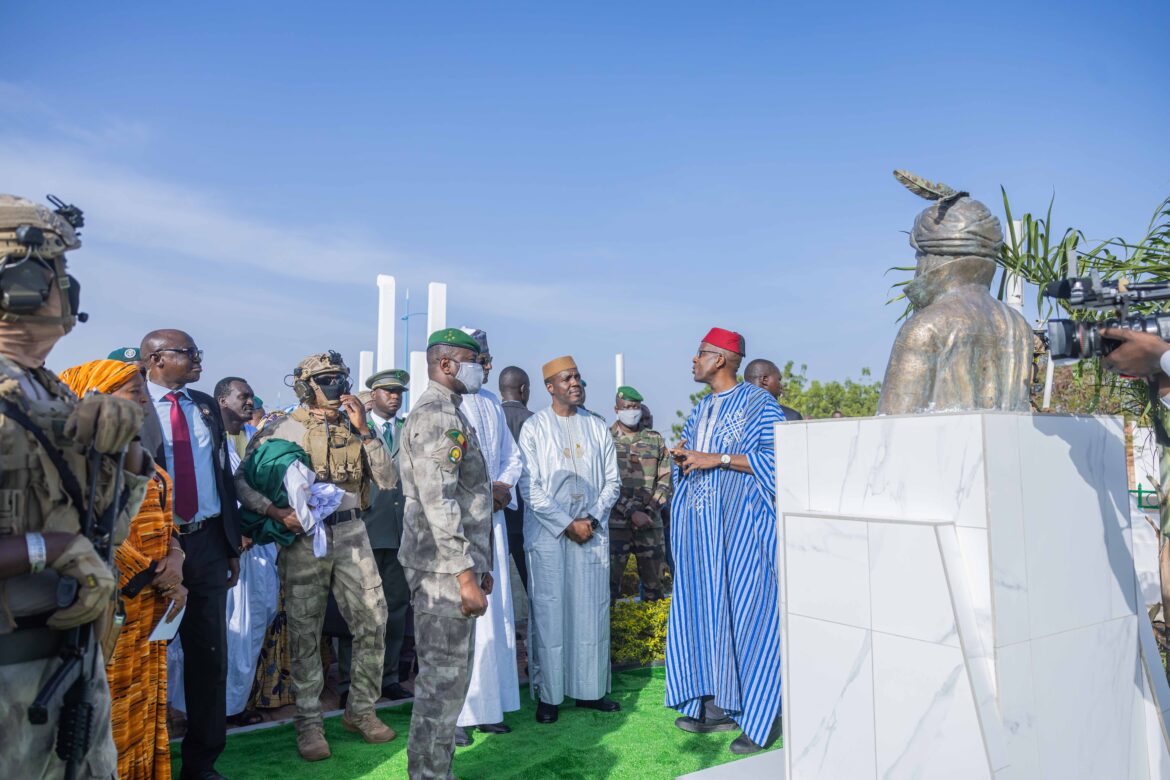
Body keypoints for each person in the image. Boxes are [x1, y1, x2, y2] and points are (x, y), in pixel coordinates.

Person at [0, 194, 153, 779]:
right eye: (56, 271)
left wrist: (125, 451)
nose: (68, 290)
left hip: (68, 666)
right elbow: (73, 545)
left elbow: (103, 530)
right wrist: (55, 552)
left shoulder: (48, 392)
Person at [234, 352, 398, 760]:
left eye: (341, 379)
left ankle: (360, 710)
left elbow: (388, 479)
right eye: (327, 380)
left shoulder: (354, 424)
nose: (337, 387)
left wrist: (364, 431)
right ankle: (309, 723)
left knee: (374, 619)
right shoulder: (281, 427)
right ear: (306, 386)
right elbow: (242, 480)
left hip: (351, 530)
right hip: (305, 537)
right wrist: (275, 512)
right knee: (305, 630)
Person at [60, 359, 187, 780]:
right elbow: (86, 533)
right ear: (95, 397)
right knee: (101, 718)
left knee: (142, 710)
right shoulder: (67, 462)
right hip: (102, 617)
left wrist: (176, 558)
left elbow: (168, 526)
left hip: (149, 615)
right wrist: (153, 572)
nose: (143, 404)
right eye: (134, 394)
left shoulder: (145, 461)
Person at [666, 327, 784, 755]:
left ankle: (761, 719)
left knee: (751, 620)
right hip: (704, 538)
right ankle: (719, 706)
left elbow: (780, 462)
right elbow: (697, 465)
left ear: (720, 359)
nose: (693, 361)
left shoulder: (759, 404)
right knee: (710, 616)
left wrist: (717, 459)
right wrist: (684, 459)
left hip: (744, 535)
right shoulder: (699, 411)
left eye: (699, 354)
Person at [140, 328, 241, 780]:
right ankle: (143, 759)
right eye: (188, 352)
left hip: (207, 543)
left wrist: (230, 542)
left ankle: (202, 763)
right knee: (147, 656)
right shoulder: (131, 403)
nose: (198, 358)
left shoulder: (203, 405)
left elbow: (222, 475)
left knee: (209, 656)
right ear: (156, 358)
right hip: (152, 548)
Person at [397, 328, 494, 779]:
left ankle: (436, 771)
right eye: (475, 360)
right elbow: (440, 502)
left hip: (447, 567)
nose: (485, 368)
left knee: (448, 682)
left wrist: (479, 565)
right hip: (441, 571)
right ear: (447, 365)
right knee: (441, 684)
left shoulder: (449, 411)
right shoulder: (439, 416)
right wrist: (464, 575)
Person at [518, 355, 621, 724]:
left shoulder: (597, 426)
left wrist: (590, 518)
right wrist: (566, 523)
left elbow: (613, 481)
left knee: (590, 611)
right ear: (550, 387)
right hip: (549, 536)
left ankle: (590, 691)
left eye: (578, 377)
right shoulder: (534, 428)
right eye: (567, 379)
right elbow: (529, 487)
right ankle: (550, 695)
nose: (576, 383)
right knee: (550, 612)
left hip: (591, 533)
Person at [453, 328, 523, 746]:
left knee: (494, 618)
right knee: (459, 619)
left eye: (489, 357)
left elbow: (513, 457)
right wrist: (484, 491)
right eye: (481, 357)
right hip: (458, 528)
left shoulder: (493, 404)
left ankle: (489, 707)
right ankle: (456, 713)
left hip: (492, 522)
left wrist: (504, 486)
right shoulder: (445, 404)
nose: (488, 365)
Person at [337, 368, 412, 705]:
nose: (394, 397)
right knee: (359, 611)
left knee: (395, 610)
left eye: (398, 392)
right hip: (364, 531)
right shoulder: (352, 430)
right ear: (373, 396)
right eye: (387, 392)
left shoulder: (408, 430)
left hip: (400, 534)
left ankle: (389, 677)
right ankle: (349, 682)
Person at [215, 377, 277, 728]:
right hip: (229, 547)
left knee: (251, 626)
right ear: (223, 400)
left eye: (253, 397)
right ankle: (218, 710)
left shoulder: (243, 442)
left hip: (254, 548)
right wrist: (234, 532)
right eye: (244, 396)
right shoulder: (212, 440)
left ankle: (232, 705)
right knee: (231, 630)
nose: (250, 402)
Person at [608, 385, 671, 602]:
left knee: (655, 588)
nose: (632, 411)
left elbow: (665, 481)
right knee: (609, 588)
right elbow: (603, 483)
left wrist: (648, 510)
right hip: (616, 525)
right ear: (616, 409)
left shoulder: (655, 440)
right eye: (627, 407)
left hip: (650, 525)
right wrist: (631, 512)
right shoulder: (605, 439)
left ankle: (653, 634)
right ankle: (611, 635)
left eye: (635, 407)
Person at [498, 365, 534, 594]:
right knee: (535, 587)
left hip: (498, 511)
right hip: (528, 515)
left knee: (495, 585)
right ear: (524, 389)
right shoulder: (535, 421)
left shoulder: (492, 417)